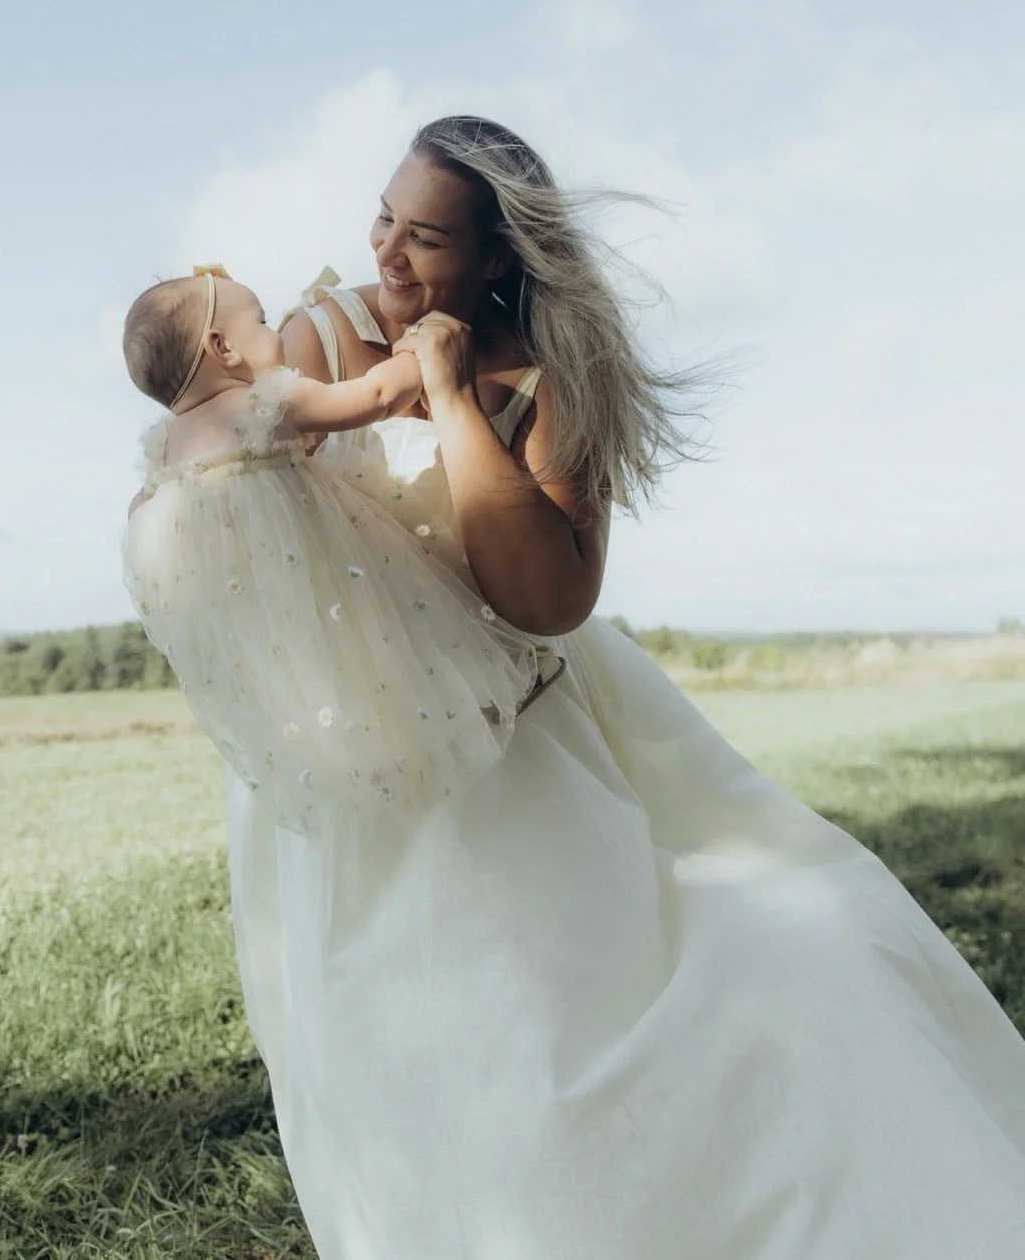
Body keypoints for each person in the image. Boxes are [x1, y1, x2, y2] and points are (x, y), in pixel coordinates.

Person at [220, 114, 1025, 1259]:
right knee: (409, 1031)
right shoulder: (319, 333)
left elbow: (544, 598)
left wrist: (451, 402)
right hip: (361, 732)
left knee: (770, 950)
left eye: (428, 238)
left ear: (500, 256)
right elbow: (247, 531)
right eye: (383, 220)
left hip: (519, 714)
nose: (389, 255)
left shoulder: (554, 375)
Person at [119, 266, 559, 837]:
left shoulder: (168, 443)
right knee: (400, 633)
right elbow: (371, 398)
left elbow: (142, 510)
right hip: (332, 562)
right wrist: (415, 355)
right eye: (259, 318)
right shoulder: (264, 400)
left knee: (332, 679)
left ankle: (373, 766)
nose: (273, 328)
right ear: (222, 348)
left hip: (270, 605)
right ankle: (479, 704)